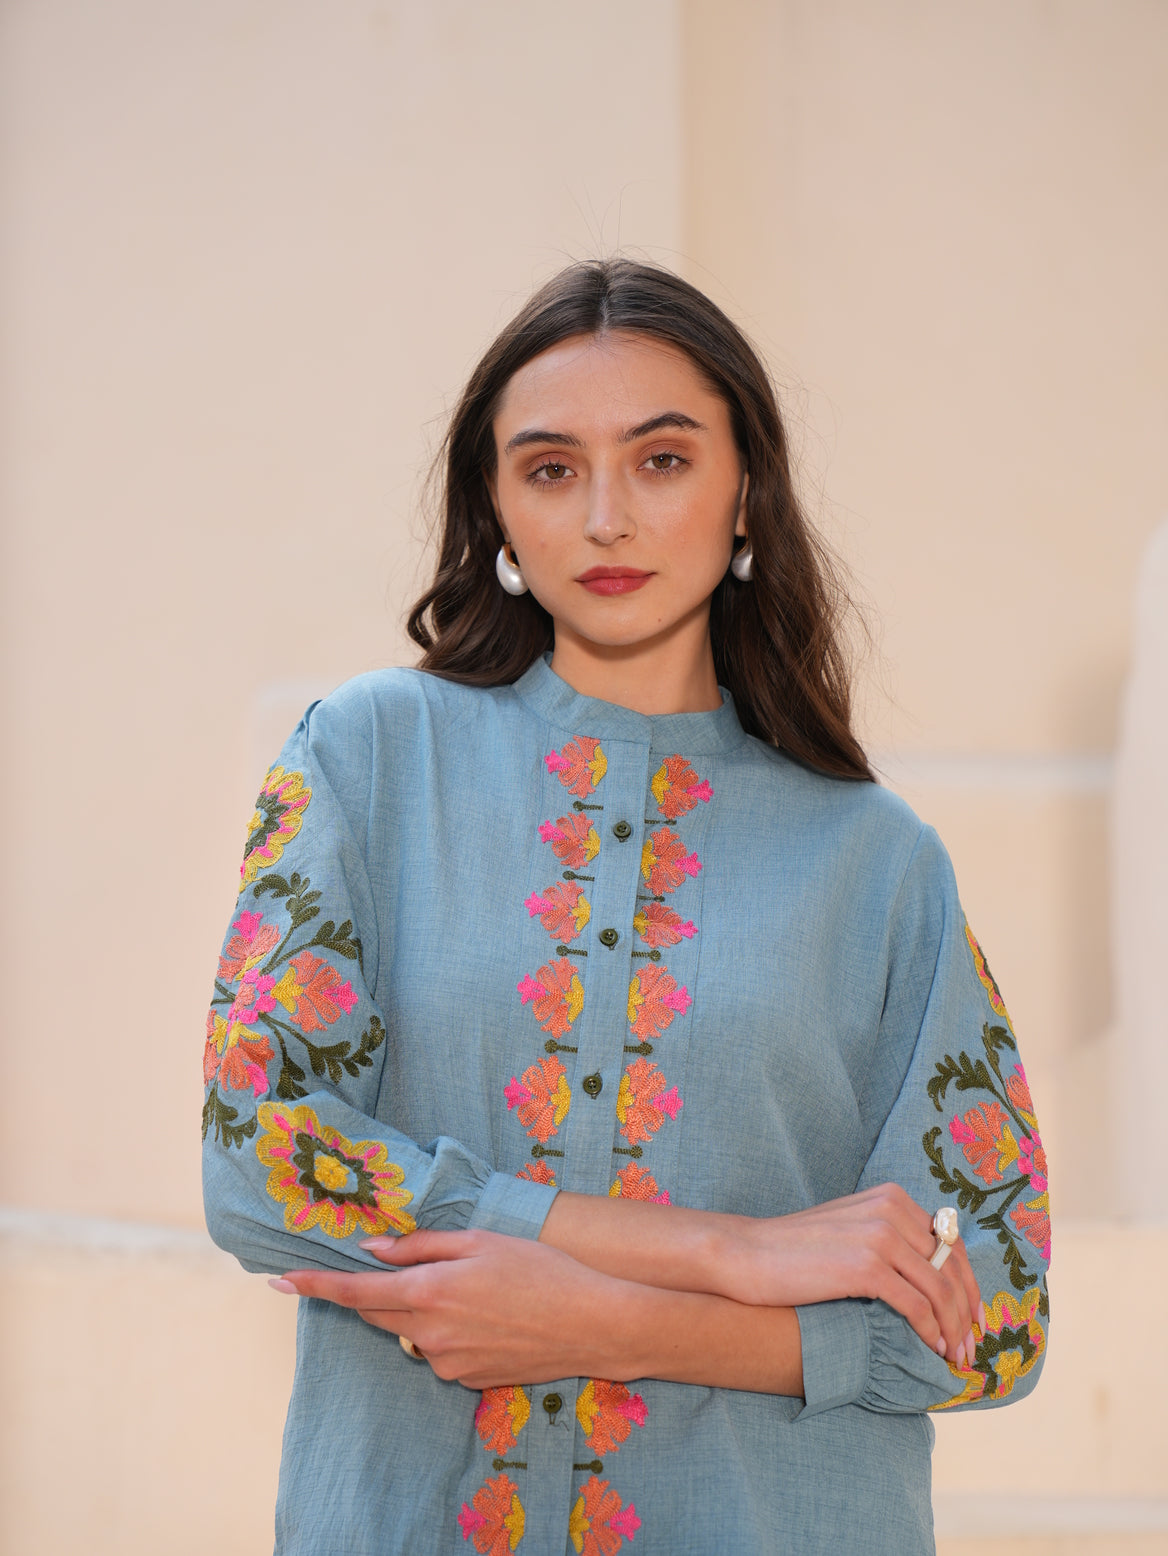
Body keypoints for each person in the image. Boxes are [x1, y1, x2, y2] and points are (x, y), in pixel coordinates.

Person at [202, 259, 1050, 1555]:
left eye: (660, 461)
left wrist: (618, 1319)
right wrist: (719, 1251)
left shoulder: (876, 862)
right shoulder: (366, 761)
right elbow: (258, 1158)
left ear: (745, 491)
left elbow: (998, 1309)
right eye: (550, 468)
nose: (606, 516)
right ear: (493, 507)